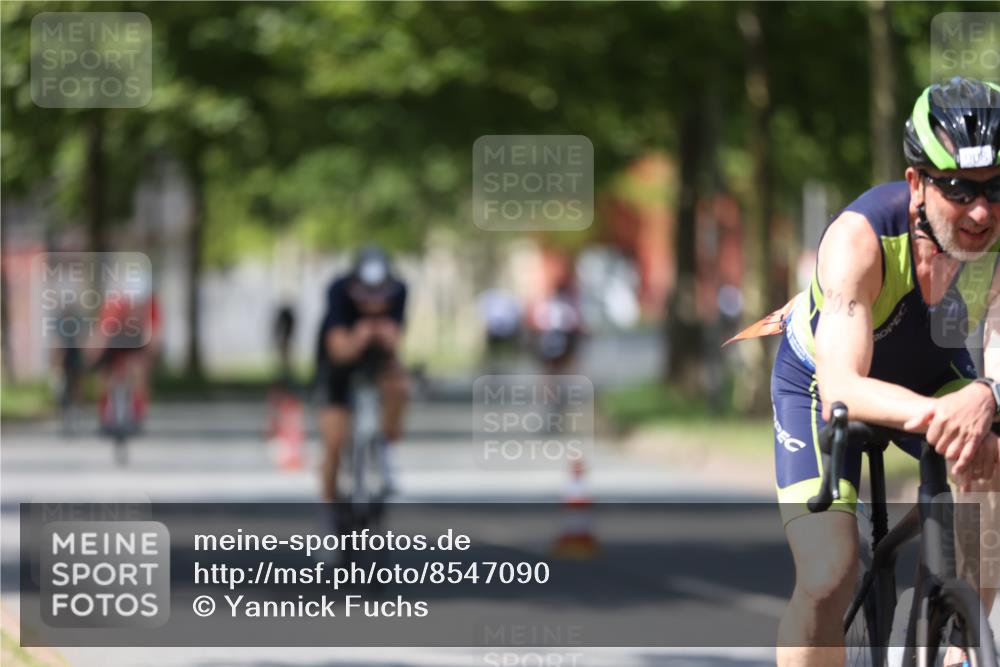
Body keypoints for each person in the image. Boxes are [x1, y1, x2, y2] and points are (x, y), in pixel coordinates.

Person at [736, 78, 1000, 666]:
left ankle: (957, 641)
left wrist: (986, 395)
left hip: (931, 372)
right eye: (959, 189)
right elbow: (843, 388)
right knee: (829, 575)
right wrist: (945, 414)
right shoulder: (860, 241)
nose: (981, 211)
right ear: (917, 184)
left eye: (995, 188)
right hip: (821, 383)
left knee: (989, 456)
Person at [315, 246, 408, 513]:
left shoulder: (400, 291)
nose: (374, 304)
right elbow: (338, 349)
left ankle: (385, 449)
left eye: (380, 296)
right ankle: (329, 516)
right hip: (337, 366)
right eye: (367, 296)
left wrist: (380, 336)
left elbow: (394, 338)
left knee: (399, 384)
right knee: (334, 441)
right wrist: (360, 336)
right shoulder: (339, 292)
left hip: (376, 360)